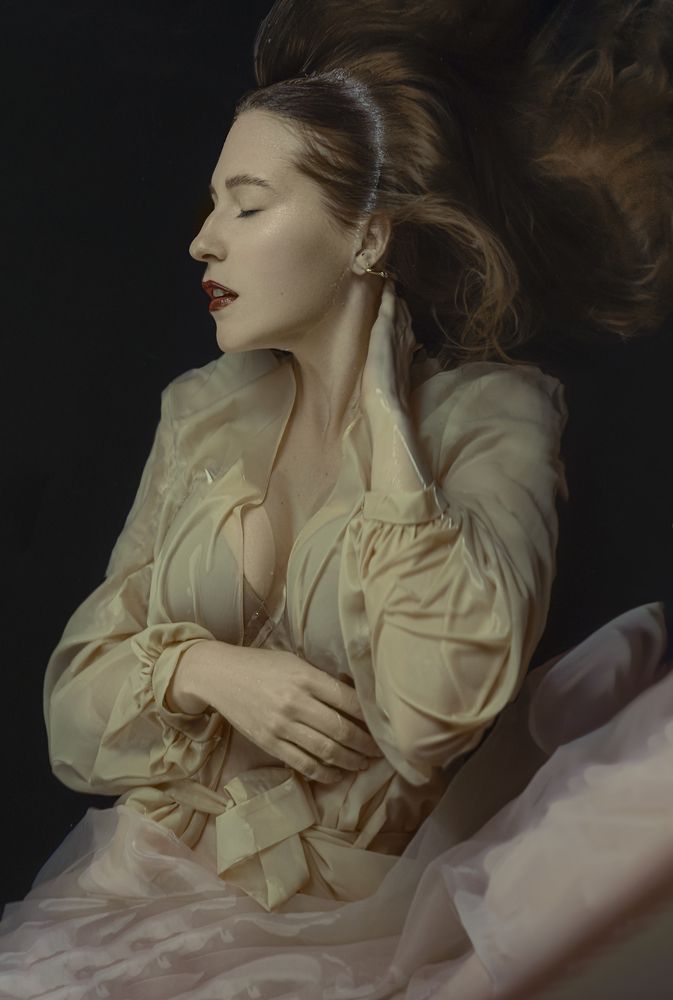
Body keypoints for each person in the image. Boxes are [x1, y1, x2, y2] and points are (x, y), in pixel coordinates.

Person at [1, 1, 672, 997]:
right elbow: (74, 709)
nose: (202, 242)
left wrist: (386, 423)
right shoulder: (202, 410)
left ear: (366, 236)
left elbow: (433, 711)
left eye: (246, 206)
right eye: (211, 206)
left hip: (334, 930)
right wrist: (205, 669)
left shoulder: (497, 418)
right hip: (137, 880)